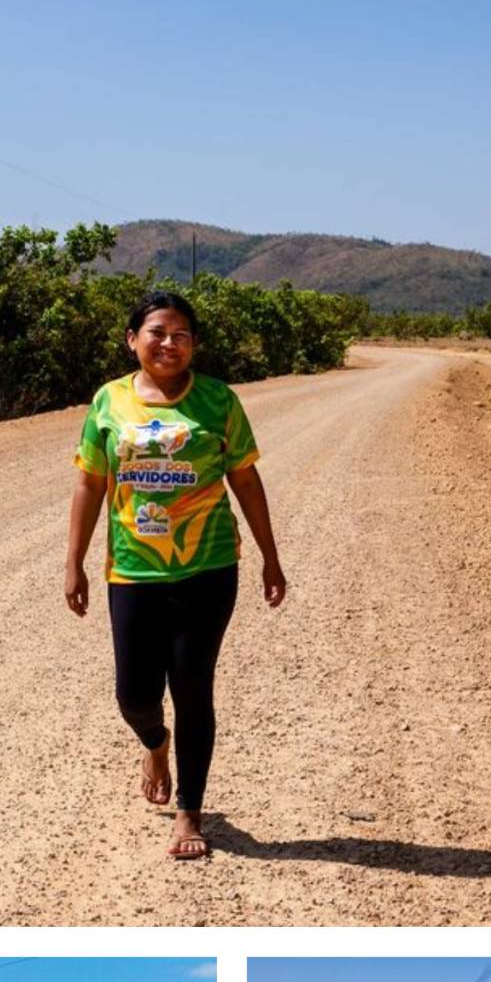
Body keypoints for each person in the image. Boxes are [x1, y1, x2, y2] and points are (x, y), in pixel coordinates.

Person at [64, 289, 287, 860]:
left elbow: (245, 479)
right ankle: (154, 743)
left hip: (208, 568)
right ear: (132, 339)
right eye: (157, 332)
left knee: (192, 688)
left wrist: (268, 553)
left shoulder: (218, 401)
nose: (169, 343)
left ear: (194, 345)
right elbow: (91, 482)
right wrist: (75, 561)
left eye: (181, 334)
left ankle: (189, 811)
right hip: (134, 571)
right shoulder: (108, 402)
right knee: (134, 695)